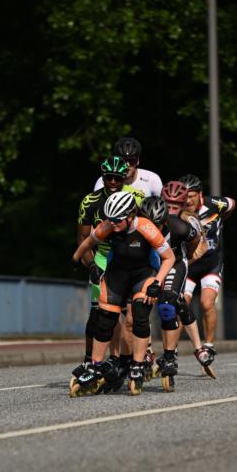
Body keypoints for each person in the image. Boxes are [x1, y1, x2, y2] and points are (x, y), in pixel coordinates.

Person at [71, 191, 174, 396]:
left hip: (143, 275)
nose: (114, 224)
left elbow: (169, 258)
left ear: (130, 215)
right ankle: (96, 365)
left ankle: (137, 364)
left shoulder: (146, 227)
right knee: (106, 319)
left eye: (118, 220)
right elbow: (87, 243)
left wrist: (157, 282)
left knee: (139, 315)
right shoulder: (108, 225)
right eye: (111, 219)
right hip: (117, 274)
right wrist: (78, 260)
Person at [74, 157, 145, 381]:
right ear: (102, 178)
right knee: (102, 311)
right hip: (103, 254)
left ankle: (136, 355)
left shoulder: (138, 199)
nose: (113, 181)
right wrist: (92, 265)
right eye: (108, 178)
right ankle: (100, 360)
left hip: (131, 253)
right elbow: (84, 240)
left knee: (133, 313)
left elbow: (149, 230)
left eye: (117, 177)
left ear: (125, 178)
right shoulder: (90, 201)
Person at [139, 187, 215, 390]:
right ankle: (141, 355)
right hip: (148, 266)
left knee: (167, 307)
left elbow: (195, 243)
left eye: (176, 206)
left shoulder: (182, 227)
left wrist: (185, 258)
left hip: (175, 264)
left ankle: (171, 357)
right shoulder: (137, 223)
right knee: (138, 307)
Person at [179, 173, 236, 358]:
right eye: (184, 196)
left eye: (191, 195)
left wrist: (221, 220)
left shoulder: (214, 204)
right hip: (189, 264)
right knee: (180, 304)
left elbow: (232, 204)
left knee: (206, 303)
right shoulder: (177, 210)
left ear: (200, 194)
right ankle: (171, 350)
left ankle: (209, 345)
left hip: (211, 263)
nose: (187, 200)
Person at [93, 136, 162, 197]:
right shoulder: (103, 182)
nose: (127, 165)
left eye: (131, 160)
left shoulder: (152, 179)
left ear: (138, 160)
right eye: (123, 160)